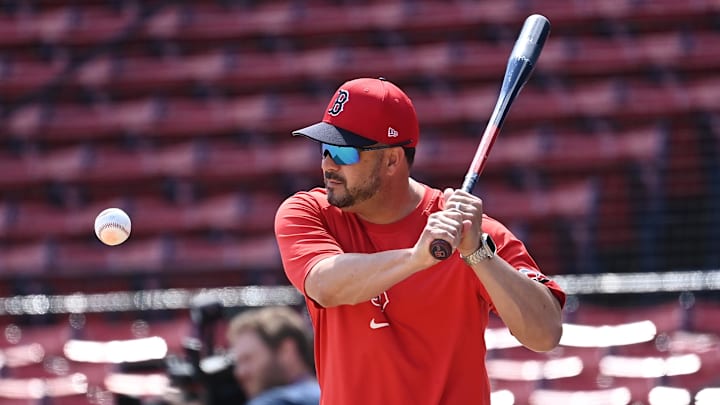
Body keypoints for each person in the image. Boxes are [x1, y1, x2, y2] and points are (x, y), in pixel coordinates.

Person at [273, 77, 566, 405]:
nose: (328, 164)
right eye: (325, 149)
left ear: (392, 160)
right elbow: (325, 285)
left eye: (344, 152)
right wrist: (416, 258)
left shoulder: (472, 234)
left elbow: (545, 334)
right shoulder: (309, 212)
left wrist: (477, 253)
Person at [227, 306, 320, 405]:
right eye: (238, 363)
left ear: (287, 350)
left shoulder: (280, 401)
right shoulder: (330, 394)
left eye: (248, 359)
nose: (239, 373)